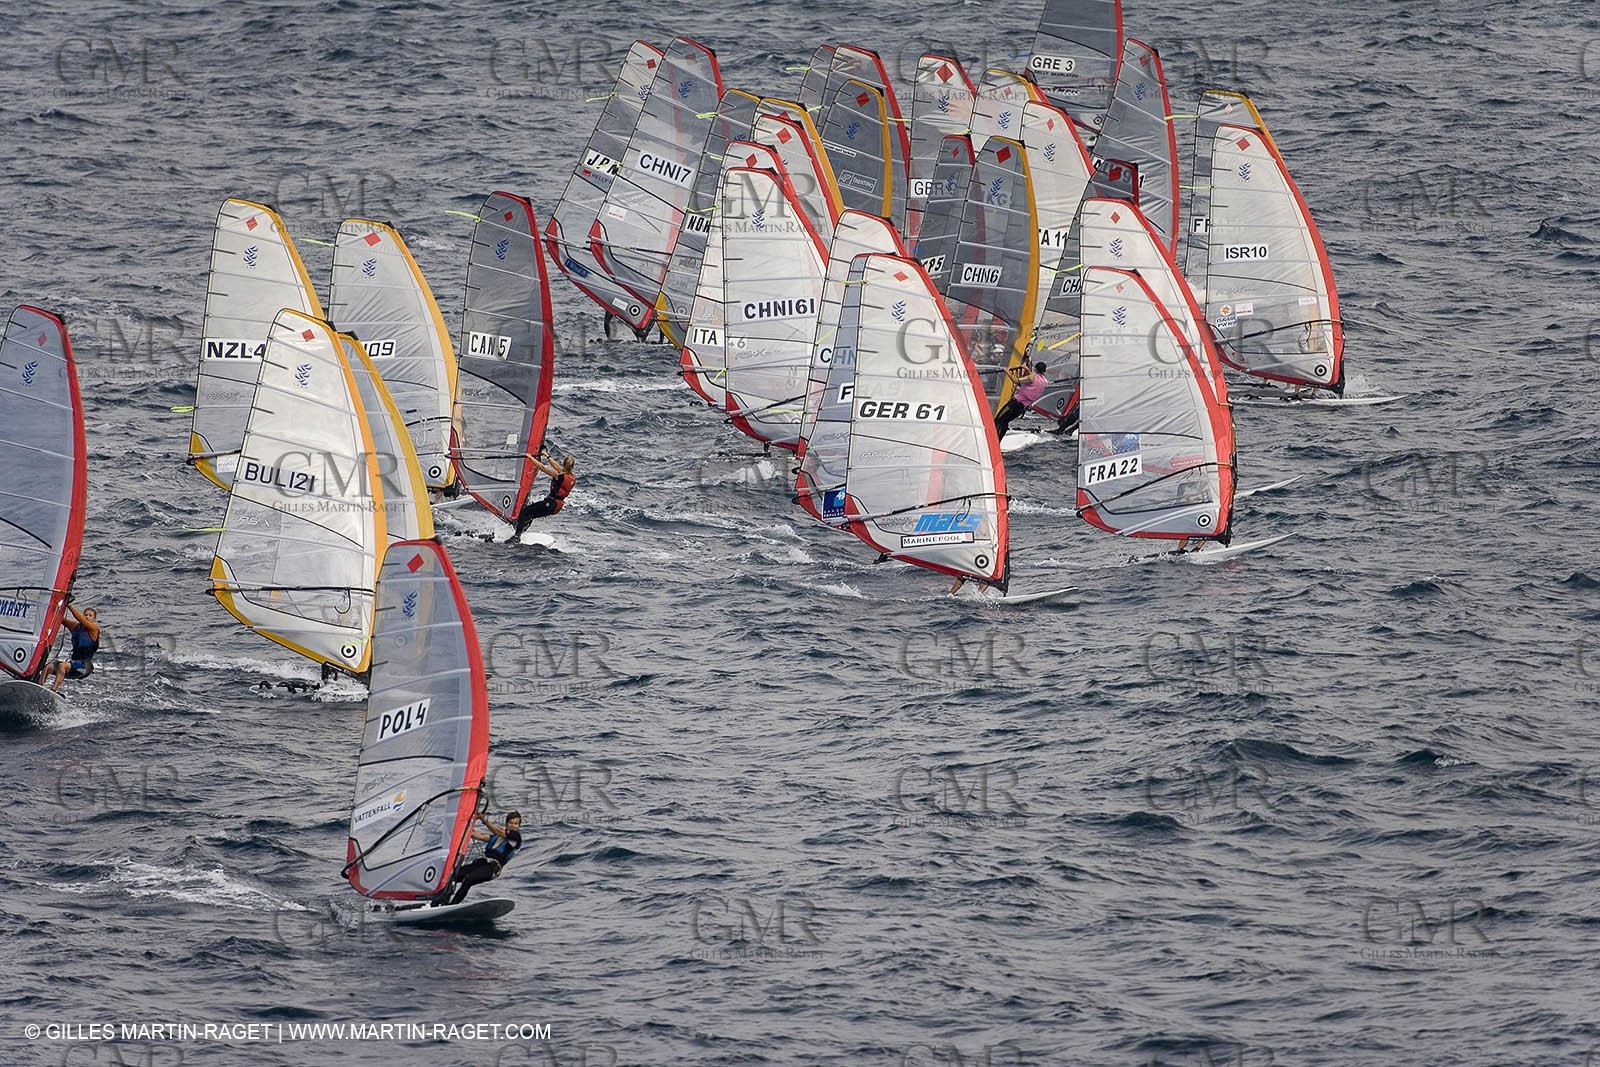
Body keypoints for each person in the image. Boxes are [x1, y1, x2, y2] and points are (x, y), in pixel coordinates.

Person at [432, 811, 522, 907]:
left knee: (469, 879)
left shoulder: (516, 838)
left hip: (492, 868)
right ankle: (437, 901)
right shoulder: (496, 837)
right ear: (506, 824)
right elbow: (479, 836)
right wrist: (465, 827)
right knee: (452, 875)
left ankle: (452, 905)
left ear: (519, 826)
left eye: (516, 824)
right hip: (481, 863)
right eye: (511, 823)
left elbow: (498, 831)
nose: (513, 825)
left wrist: (484, 820)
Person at [512, 452, 577, 537]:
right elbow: (556, 466)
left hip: (550, 503)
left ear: (564, 464)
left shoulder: (558, 475)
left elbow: (542, 467)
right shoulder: (572, 477)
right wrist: (547, 455)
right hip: (557, 506)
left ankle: (517, 536)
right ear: (572, 467)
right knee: (530, 514)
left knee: (525, 512)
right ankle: (519, 532)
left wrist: (530, 458)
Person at [44, 603, 99, 691]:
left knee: (62, 665)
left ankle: (53, 690)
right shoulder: (75, 627)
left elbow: (81, 620)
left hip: (85, 667)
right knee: (48, 667)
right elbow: (61, 620)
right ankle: (38, 686)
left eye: (90, 616)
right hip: (73, 664)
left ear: (94, 619)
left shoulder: (94, 629)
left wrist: (69, 606)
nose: (87, 617)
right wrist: (53, 608)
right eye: (85, 615)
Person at [993, 360, 1049, 440]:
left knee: (998, 419)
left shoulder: (1032, 377)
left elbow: (1016, 381)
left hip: (1014, 404)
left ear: (1035, 369)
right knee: (1005, 421)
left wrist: (1007, 372)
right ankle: (998, 441)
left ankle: (992, 439)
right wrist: (1027, 370)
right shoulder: (1045, 381)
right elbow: (1034, 381)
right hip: (1022, 408)